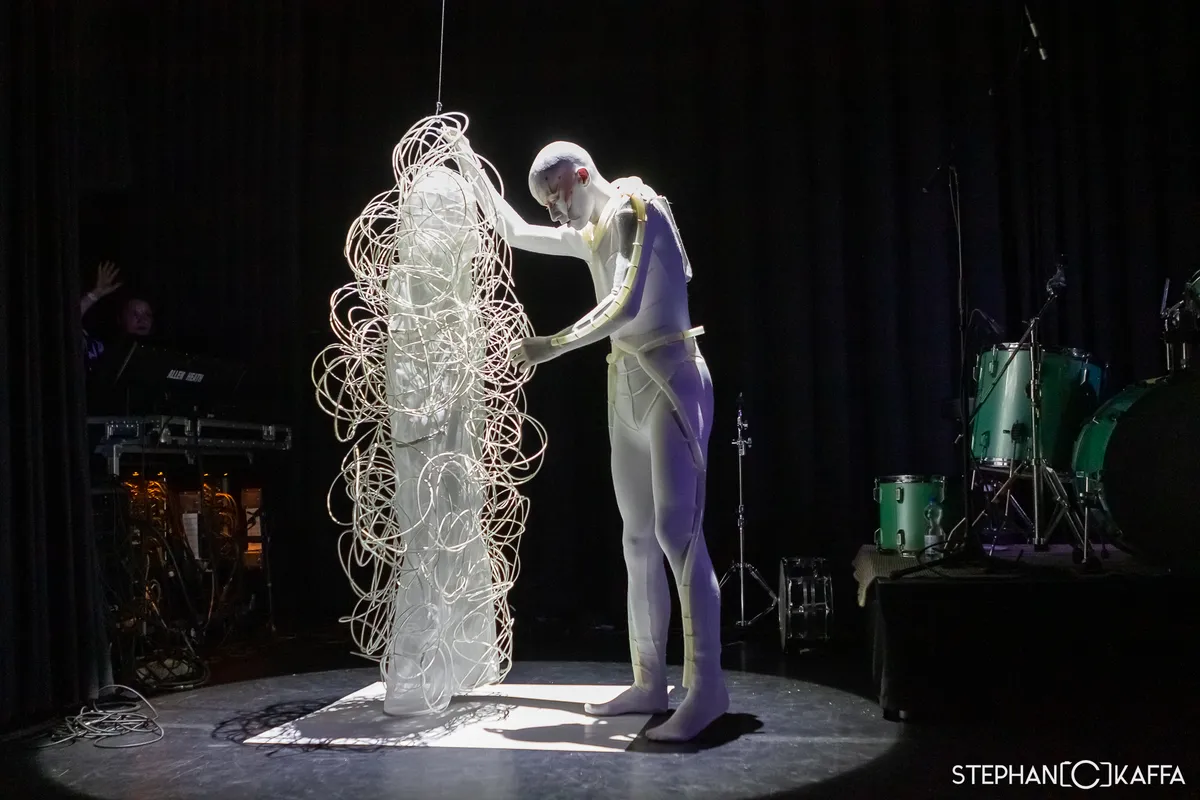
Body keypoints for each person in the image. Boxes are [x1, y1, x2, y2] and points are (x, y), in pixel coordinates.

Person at [454, 135, 727, 742]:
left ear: (581, 175)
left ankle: (707, 687)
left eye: (556, 196)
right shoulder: (593, 231)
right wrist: (470, 164)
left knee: (677, 533)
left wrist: (548, 347)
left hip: (670, 376)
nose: (555, 212)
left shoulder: (637, 209)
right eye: (548, 203)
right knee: (637, 538)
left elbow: (624, 304)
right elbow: (516, 232)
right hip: (626, 384)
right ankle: (650, 681)